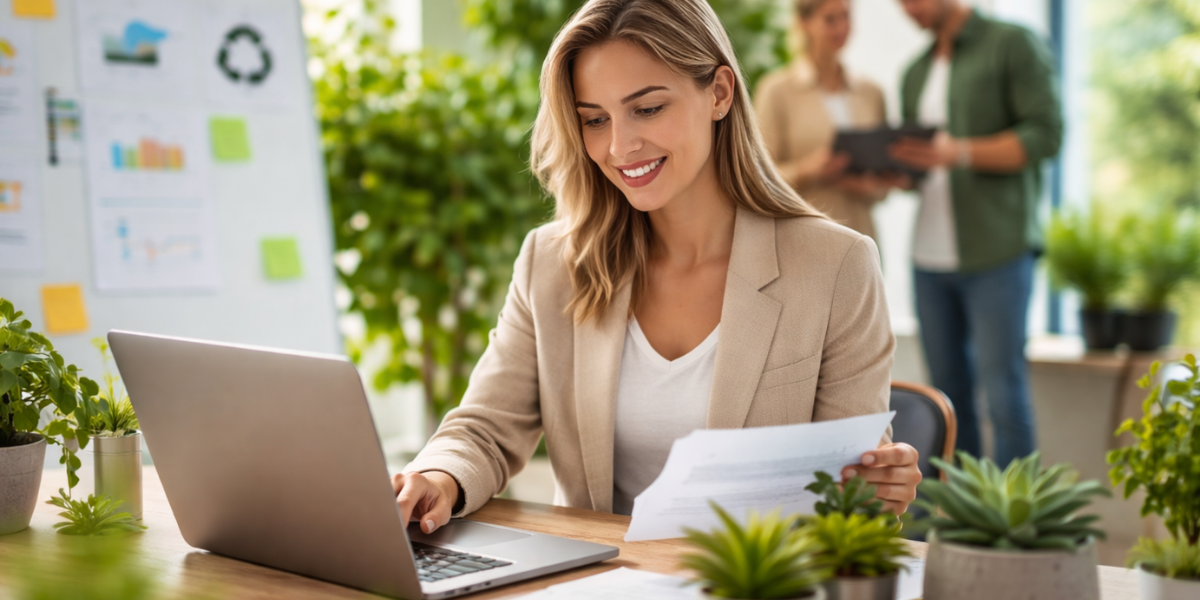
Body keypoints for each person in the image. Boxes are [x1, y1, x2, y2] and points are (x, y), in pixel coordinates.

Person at [392, 0, 921, 534]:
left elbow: (850, 490)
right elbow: (486, 427)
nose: (620, 146)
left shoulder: (836, 266)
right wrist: (438, 476)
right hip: (594, 574)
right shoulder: (552, 263)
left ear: (719, 93)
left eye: (647, 109)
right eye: (595, 119)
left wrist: (874, 486)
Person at [889, 0, 1062, 467]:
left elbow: (1046, 135)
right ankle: (960, 508)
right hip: (929, 259)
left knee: (1004, 396)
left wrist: (959, 152)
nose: (907, 8)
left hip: (997, 252)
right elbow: (921, 168)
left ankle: (1013, 512)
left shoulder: (1012, 44)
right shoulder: (916, 71)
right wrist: (894, 171)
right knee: (947, 403)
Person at [753, 0, 892, 239]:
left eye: (846, 16)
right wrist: (806, 171)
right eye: (830, 19)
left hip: (862, 237)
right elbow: (758, 180)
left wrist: (871, 187)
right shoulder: (776, 91)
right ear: (804, 23)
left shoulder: (872, 92)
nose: (842, 27)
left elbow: (885, 182)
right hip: (803, 240)